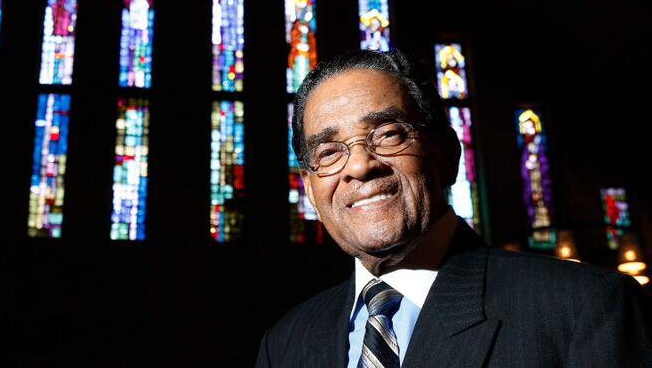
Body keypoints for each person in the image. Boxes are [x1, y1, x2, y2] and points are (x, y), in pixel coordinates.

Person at [255, 49, 651, 368]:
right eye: (328, 152)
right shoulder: (285, 345)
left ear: (447, 153)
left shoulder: (587, 309)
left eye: (388, 134)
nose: (359, 165)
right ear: (309, 187)